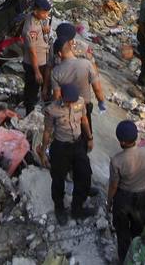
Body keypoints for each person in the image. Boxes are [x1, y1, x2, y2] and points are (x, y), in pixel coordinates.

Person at [38, 82, 92, 225]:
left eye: (73, 101)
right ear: (62, 97)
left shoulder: (80, 102)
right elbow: (47, 132)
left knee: (85, 173)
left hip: (78, 144)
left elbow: (84, 120)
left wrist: (90, 137)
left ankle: (77, 208)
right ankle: (59, 208)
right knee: (58, 179)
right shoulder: (52, 110)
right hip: (61, 147)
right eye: (68, 101)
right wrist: (43, 153)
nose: (71, 104)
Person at [107, 120, 145, 261]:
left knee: (122, 233)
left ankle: (124, 260)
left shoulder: (117, 161)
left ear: (121, 141)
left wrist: (109, 202)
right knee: (139, 230)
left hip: (123, 198)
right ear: (135, 137)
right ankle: (138, 259)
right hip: (143, 194)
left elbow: (114, 186)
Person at [21, 0, 53, 114]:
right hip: (34, 64)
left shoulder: (35, 18)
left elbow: (40, 25)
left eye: (47, 12)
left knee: (42, 87)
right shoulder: (31, 29)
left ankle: (34, 105)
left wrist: (44, 30)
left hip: (42, 61)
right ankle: (29, 112)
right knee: (32, 90)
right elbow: (32, 52)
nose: (46, 15)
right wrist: (37, 72)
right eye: (44, 13)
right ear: (36, 11)